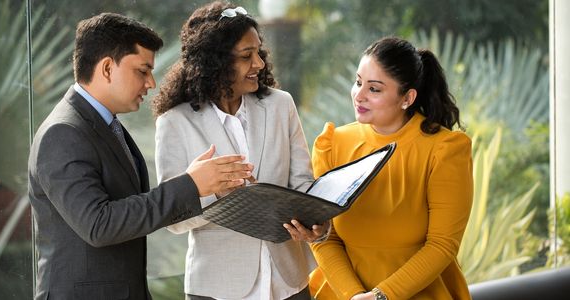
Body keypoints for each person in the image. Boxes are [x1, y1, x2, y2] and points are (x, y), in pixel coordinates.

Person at [28, 12, 254, 300]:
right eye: (142, 71)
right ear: (107, 68)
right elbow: (99, 225)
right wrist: (191, 185)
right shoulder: (62, 132)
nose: (151, 83)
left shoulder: (106, 125)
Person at [151, 2, 328, 299]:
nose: (258, 63)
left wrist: (318, 223)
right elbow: (174, 219)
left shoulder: (281, 104)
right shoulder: (175, 123)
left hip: (288, 283)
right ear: (215, 62)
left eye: (259, 52)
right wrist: (215, 193)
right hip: (218, 286)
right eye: (247, 56)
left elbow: (302, 184)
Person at [308, 36, 474, 300]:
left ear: (407, 97)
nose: (358, 95)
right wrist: (354, 295)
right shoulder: (332, 145)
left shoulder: (445, 149)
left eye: (374, 89)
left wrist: (381, 296)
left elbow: (442, 245)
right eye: (358, 82)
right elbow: (326, 238)